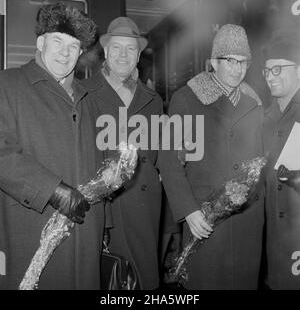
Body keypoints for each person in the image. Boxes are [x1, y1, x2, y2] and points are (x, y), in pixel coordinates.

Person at [0, 3, 105, 289]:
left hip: (85, 236)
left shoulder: (90, 99)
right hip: (30, 231)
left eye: (73, 46)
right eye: (57, 41)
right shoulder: (7, 85)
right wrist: (52, 190)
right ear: (40, 42)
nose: (65, 52)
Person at [158, 24, 265, 289]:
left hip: (246, 221)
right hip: (204, 219)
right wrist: (189, 211)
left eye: (243, 62)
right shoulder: (187, 99)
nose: (237, 69)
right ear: (213, 62)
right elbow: (169, 160)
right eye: (230, 61)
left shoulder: (255, 103)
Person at [84, 17, 163, 289]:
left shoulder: (154, 101)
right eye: (116, 47)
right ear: (106, 51)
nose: (123, 55)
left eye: (131, 49)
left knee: (144, 282)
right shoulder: (83, 95)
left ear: (139, 56)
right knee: (109, 282)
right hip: (103, 208)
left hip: (144, 206)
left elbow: (158, 157)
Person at [262, 29, 300, 289]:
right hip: (275, 234)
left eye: (278, 69)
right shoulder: (267, 116)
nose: (270, 77)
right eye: (267, 71)